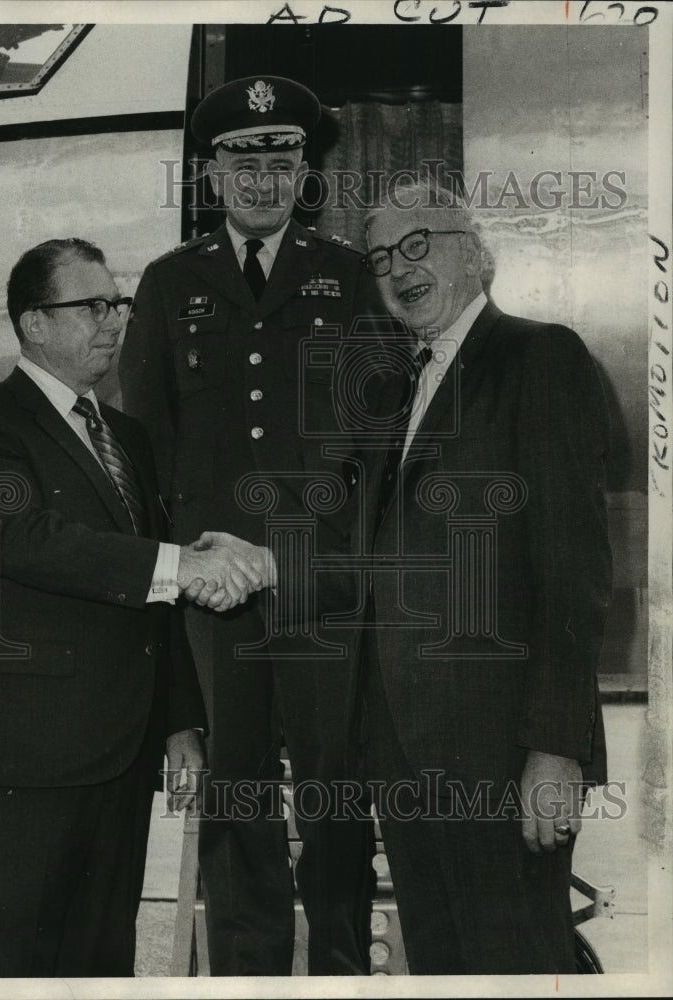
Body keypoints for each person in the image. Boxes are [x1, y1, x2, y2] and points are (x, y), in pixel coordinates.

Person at [0, 237, 273, 978]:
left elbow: (152, 599)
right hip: (22, 761)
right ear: (33, 323)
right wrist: (186, 563)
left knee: (101, 964)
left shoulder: (128, 437)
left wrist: (180, 720)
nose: (113, 320)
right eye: (91, 305)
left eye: (117, 303)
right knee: (18, 967)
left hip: (119, 758)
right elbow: (23, 540)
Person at [119, 76, 380, 975]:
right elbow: (144, 447)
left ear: (303, 171)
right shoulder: (169, 283)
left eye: (280, 161)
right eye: (243, 161)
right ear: (213, 173)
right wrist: (173, 567)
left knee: (335, 794)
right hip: (213, 593)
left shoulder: (348, 277)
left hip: (318, 584)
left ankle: (343, 967)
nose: (262, 180)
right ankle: (247, 974)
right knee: (235, 799)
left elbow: (376, 440)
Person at [352, 184, 612, 973]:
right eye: (380, 258)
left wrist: (556, 750)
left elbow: (573, 570)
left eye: (417, 244)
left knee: (515, 962)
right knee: (439, 962)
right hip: (405, 748)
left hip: (502, 753)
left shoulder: (539, 355)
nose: (398, 269)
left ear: (473, 249)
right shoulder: (400, 387)